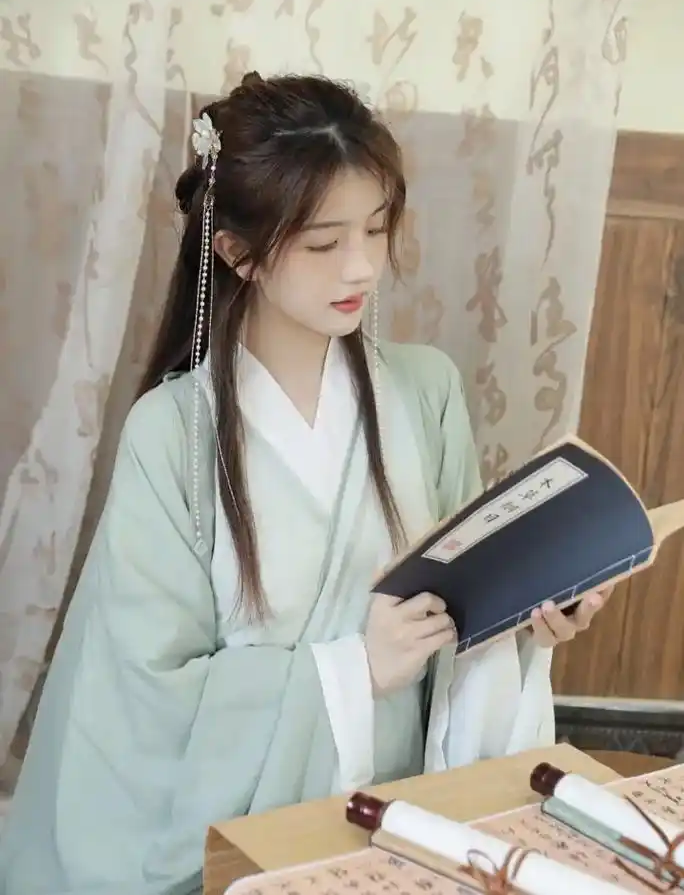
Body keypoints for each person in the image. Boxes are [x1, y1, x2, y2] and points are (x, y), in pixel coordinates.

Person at [0, 71, 611, 895]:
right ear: (238, 252)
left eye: (376, 228)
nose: (362, 266)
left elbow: (460, 612)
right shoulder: (171, 434)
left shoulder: (425, 393)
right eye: (324, 243)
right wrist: (356, 669)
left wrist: (527, 621)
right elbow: (148, 702)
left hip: (400, 827)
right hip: (238, 851)